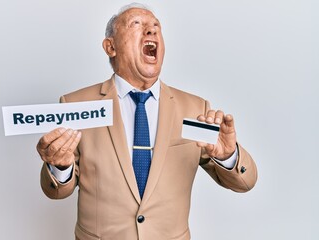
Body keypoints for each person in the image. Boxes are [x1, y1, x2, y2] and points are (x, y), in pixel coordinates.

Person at [37, 3, 258, 240]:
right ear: (110, 46)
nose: (151, 31)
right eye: (136, 24)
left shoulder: (195, 109)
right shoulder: (75, 105)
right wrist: (59, 166)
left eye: (156, 26)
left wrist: (227, 156)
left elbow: (244, 183)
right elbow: (57, 191)